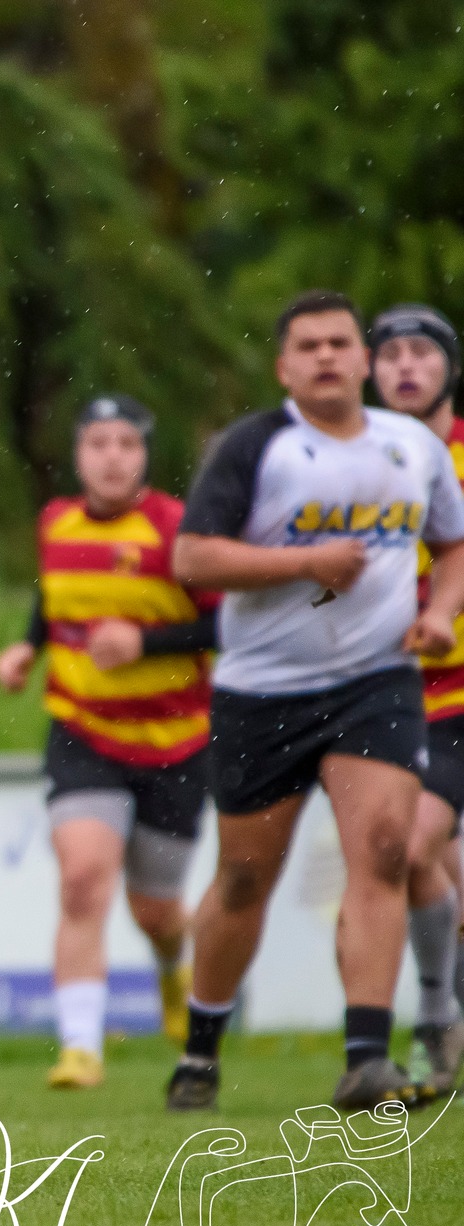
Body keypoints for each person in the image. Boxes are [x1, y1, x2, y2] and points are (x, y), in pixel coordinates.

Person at [165, 291, 464, 1114]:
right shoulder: (257, 445)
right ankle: (201, 1044)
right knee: (243, 878)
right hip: (263, 689)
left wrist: (441, 612)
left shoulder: (414, 446)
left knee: (386, 850)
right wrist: (304, 562)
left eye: (340, 342)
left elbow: (452, 541)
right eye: (309, 345)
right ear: (284, 367)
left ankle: (366, 1057)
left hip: (377, 681)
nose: (327, 356)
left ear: (364, 359)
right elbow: (192, 558)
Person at [0, 396, 215, 1090]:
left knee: (157, 910)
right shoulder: (56, 522)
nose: (112, 457)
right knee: (84, 879)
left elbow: (227, 626)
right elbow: (53, 597)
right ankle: (80, 1047)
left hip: (176, 742)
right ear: (78, 454)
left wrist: (146, 643)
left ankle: (173, 967)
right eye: (98, 443)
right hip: (82, 731)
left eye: (126, 442)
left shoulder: (180, 528)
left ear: (146, 454)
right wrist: (28, 647)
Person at [369, 303, 464, 1098]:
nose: (406, 365)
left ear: (449, 368)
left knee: (420, 844)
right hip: (393, 694)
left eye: (421, 352)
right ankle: (439, 1011)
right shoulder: (359, 459)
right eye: (391, 352)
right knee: (411, 852)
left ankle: (437, 1013)